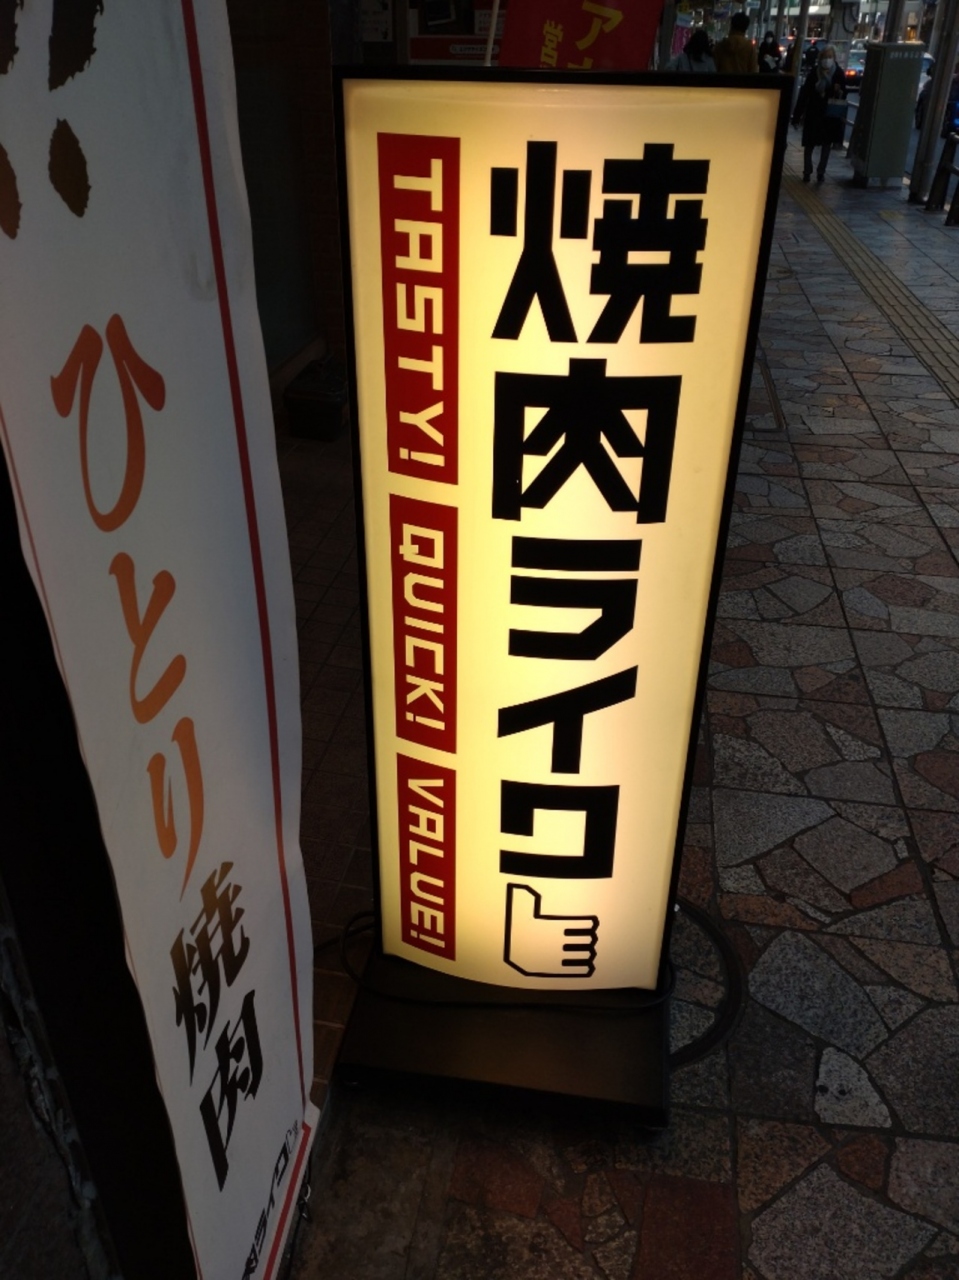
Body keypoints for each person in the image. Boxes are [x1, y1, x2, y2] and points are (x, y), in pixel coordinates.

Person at [792, 44, 847, 182]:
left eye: (830, 57)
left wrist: (838, 91)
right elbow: (804, 94)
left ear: (834, 58)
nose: (827, 60)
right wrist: (797, 116)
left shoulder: (838, 74)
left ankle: (821, 172)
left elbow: (843, 95)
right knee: (809, 144)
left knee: (826, 145)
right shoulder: (814, 73)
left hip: (829, 115)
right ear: (820, 58)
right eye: (825, 57)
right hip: (813, 112)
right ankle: (807, 171)